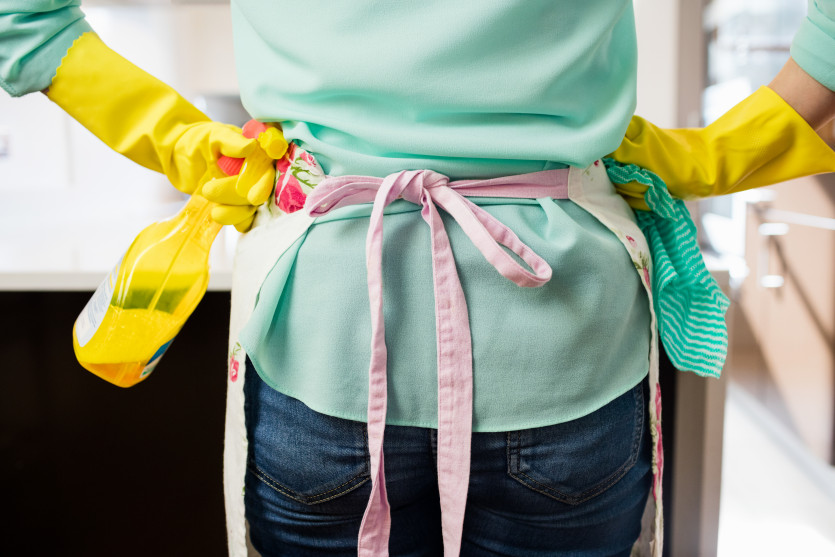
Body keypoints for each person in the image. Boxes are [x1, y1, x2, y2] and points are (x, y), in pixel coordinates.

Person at [3, 2, 835, 556]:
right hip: (570, 354)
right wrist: (724, 149)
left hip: (322, 346)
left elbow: (25, 20)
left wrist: (183, 140)